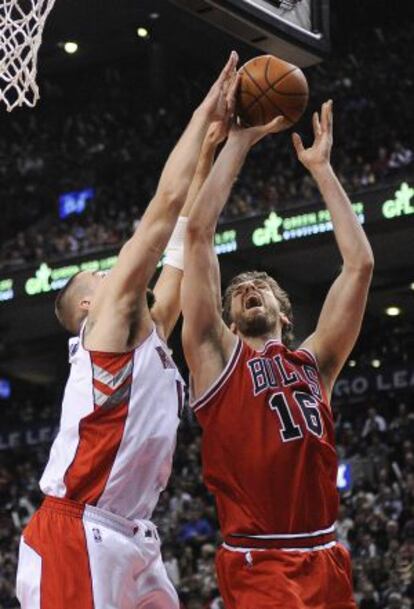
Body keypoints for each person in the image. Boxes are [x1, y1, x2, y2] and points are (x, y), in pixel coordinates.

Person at [15, 51, 239, 609]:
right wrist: (203, 113)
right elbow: (164, 206)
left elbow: (186, 242)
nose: (114, 269)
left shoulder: (151, 332)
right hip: (76, 529)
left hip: (131, 532)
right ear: (91, 301)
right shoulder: (106, 322)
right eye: (101, 271)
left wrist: (218, 149)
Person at [182, 100, 374, 608]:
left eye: (260, 286)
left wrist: (322, 171)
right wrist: (240, 143)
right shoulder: (215, 358)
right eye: (238, 289)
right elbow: (199, 235)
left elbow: (359, 266)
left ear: (285, 315)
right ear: (227, 320)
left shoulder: (317, 364)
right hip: (259, 560)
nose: (248, 288)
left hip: (326, 553)